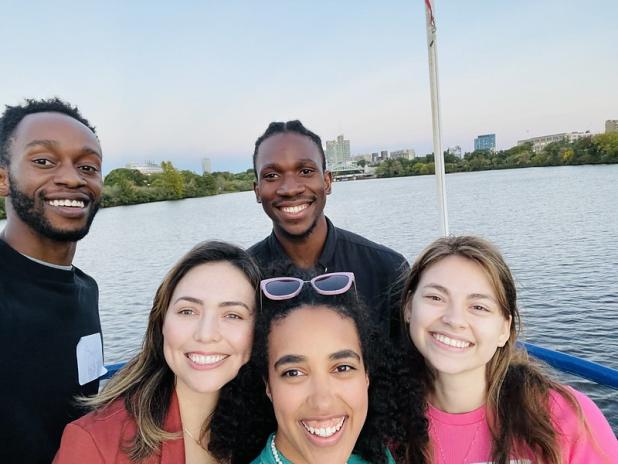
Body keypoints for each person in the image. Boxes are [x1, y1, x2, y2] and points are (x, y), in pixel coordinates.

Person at [397, 235, 618, 463]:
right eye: (435, 297)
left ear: (504, 329)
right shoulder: (380, 420)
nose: (454, 319)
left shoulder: (564, 417)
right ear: (408, 307)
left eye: (479, 307)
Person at [53, 241, 263, 464]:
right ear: (161, 322)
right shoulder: (96, 443)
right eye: (188, 311)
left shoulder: (275, 423)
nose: (206, 334)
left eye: (233, 315)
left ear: (259, 328)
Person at [0, 97, 105, 464]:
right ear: (3, 179)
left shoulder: (85, 289)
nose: (72, 178)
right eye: (43, 161)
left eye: (88, 166)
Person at [249, 120, 408, 340]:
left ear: (327, 181)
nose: (289, 189)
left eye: (305, 171)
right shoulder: (242, 278)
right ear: (257, 191)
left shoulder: (386, 269)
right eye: (271, 176)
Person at [233, 269, 404, 463]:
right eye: (294, 372)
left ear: (366, 375)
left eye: (342, 368)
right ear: (268, 386)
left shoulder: (378, 458)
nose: (322, 402)